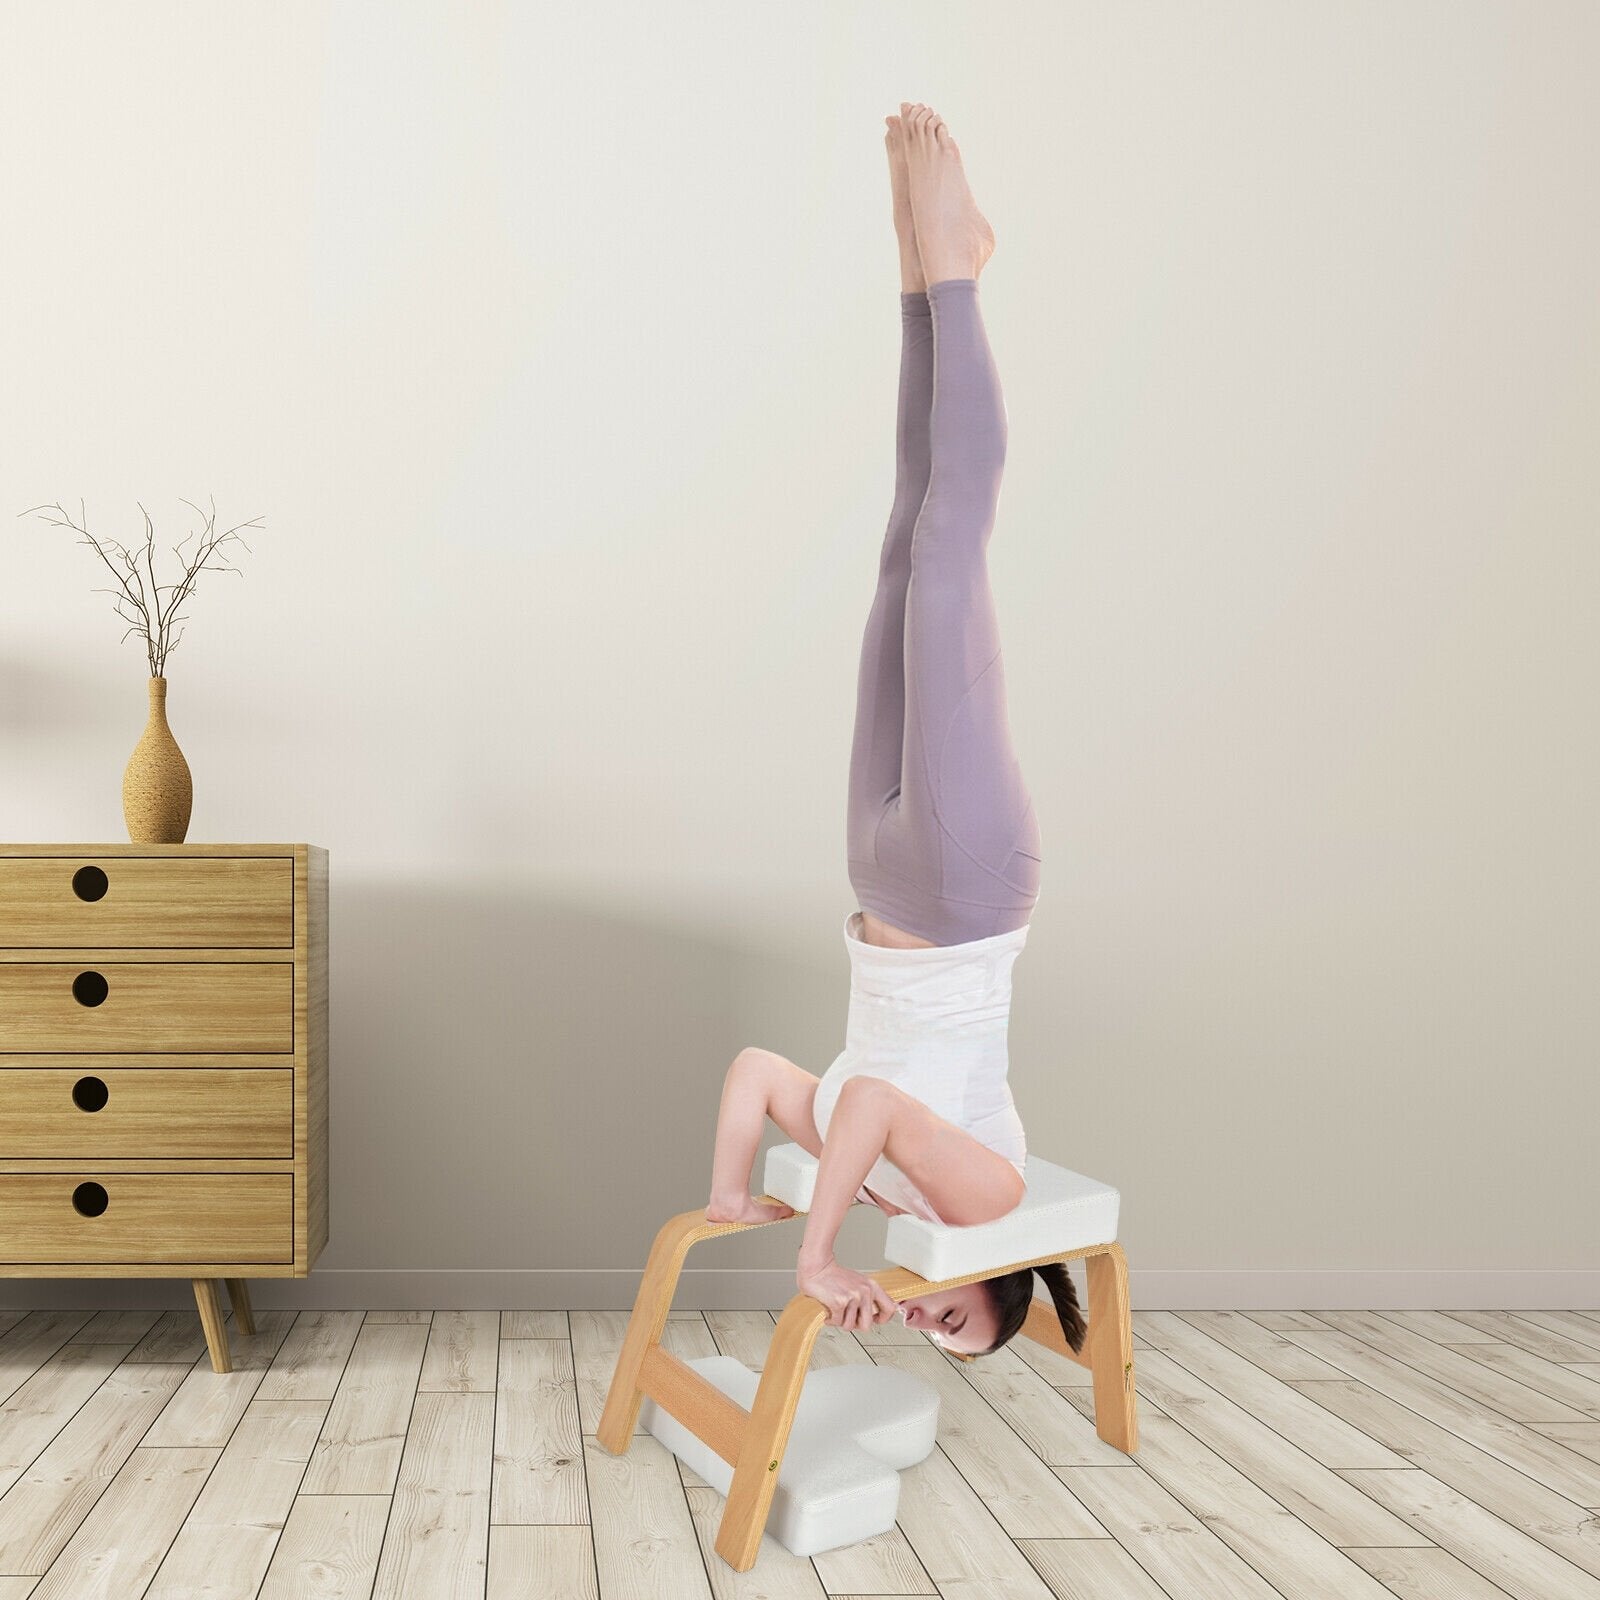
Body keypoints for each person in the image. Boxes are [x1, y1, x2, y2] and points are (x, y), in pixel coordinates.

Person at [703, 104, 1085, 1360]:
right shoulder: (991, 1204)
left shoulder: (874, 1188)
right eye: (964, 1324)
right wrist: (813, 1254)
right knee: (948, 549)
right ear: (1004, 1283)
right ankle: (955, 268)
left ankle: (922, 275)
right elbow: (866, 1093)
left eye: (930, 1338)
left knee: (899, 544)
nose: (931, 1319)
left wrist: (728, 1193)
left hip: (878, 880)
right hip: (968, 892)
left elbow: (767, 1072)